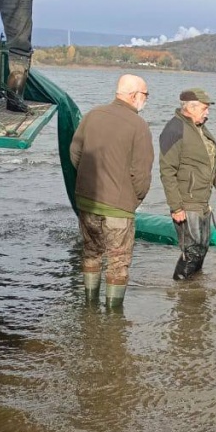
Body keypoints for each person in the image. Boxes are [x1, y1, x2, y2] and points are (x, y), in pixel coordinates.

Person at [68, 74, 153, 307]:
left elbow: (75, 154)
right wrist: (134, 200)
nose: (146, 99)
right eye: (145, 95)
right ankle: (114, 316)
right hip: (119, 208)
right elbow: (142, 174)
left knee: (91, 253)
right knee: (118, 263)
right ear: (134, 95)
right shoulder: (139, 126)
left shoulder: (92, 115)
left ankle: (90, 307)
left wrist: (87, 181)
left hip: (87, 201)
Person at [159, 88, 216, 281]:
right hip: (187, 201)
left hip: (202, 200)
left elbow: (209, 163)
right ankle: (180, 287)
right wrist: (176, 207)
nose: (207, 113)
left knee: (202, 248)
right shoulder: (174, 130)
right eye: (204, 108)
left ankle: (195, 289)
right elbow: (167, 172)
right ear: (190, 108)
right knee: (192, 250)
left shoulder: (200, 127)